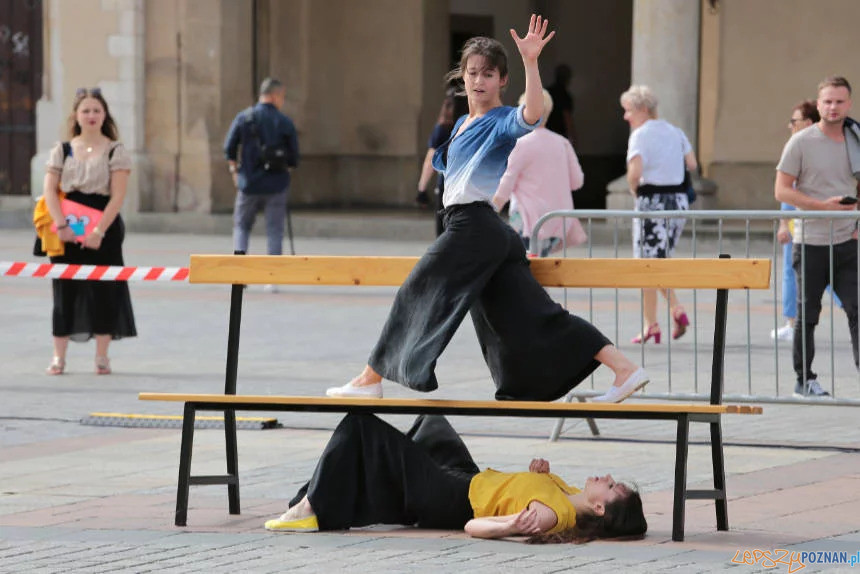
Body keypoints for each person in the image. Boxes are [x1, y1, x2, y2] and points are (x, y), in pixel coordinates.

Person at [325, 15, 649, 405]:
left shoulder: (500, 122)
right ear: (462, 76)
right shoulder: (461, 122)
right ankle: (625, 368)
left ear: (502, 81)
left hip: (474, 227)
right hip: (484, 232)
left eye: (489, 74)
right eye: (473, 72)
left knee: (417, 290)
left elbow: (530, 114)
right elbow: (447, 172)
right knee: (533, 313)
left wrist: (530, 61)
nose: (479, 81)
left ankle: (369, 378)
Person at [264, 413, 648, 544]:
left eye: (612, 487)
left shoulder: (552, 514)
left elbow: (473, 525)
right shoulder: (565, 491)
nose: (608, 478)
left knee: (361, 425)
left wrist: (509, 525)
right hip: (468, 477)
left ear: (600, 507)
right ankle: (370, 488)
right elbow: (521, 491)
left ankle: (311, 506)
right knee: (432, 423)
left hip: (452, 497)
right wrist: (536, 475)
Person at [42, 87, 137, 375]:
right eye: (86, 110)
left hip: (104, 227)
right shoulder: (62, 149)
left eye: (97, 110)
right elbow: (48, 189)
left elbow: (118, 196)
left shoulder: (115, 151)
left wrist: (98, 231)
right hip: (66, 224)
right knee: (63, 291)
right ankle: (59, 357)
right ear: (76, 115)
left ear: (105, 114)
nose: (92, 115)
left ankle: (102, 356)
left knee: (104, 290)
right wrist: (61, 225)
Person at [775, 76, 859, 398]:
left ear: (848, 104)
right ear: (819, 103)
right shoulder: (801, 142)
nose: (833, 107)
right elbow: (781, 190)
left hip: (846, 242)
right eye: (827, 101)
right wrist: (822, 207)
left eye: (839, 101)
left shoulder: (856, 137)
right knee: (807, 315)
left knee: (857, 309)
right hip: (809, 241)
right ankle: (804, 380)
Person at [621, 85, 696, 344]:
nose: (625, 116)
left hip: (652, 202)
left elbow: (634, 171)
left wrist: (635, 191)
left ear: (642, 109)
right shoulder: (676, 131)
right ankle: (650, 322)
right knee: (657, 261)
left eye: (628, 110)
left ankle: (674, 309)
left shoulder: (640, 135)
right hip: (678, 202)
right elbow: (693, 164)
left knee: (647, 264)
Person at [772, 100, 842, 342]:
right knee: (801, 273)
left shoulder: (804, 148)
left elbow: (790, 189)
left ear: (808, 123)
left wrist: (784, 223)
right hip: (802, 220)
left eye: (795, 121)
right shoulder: (803, 147)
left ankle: (793, 323)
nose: (790, 125)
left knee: (826, 276)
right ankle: (791, 322)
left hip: (805, 222)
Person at [493, 89, 587, 257]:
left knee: (525, 270)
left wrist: (488, 211)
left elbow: (505, 186)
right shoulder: (563, 143)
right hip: (558, 221)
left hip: (528, 221)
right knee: (540, 270)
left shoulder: (520, 144)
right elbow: (577, 182)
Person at [224, 77, 300, 281]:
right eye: (282, 97)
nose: (282, 101)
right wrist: (287, 168)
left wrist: (234, 171)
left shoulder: (244, 118)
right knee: (275, 229)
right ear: (275, 96)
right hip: (277, 184)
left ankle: (240, 274)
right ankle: (271, 277)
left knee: (241, 226)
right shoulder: (284, 122)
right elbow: (294, 157)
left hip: (248, 184)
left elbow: (229, 148)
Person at [415, 85, 469, 236]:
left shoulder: (442, 129)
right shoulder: (473, 126)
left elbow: (430, 161)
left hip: (447, 186)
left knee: (444, 233)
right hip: (470, 186)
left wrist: (421, 189)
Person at [545, 64, 575, 144]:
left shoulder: (547, 92)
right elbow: (567, 117)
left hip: (545, 131)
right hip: (559, 134)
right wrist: (571, 136)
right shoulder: (565, 96)